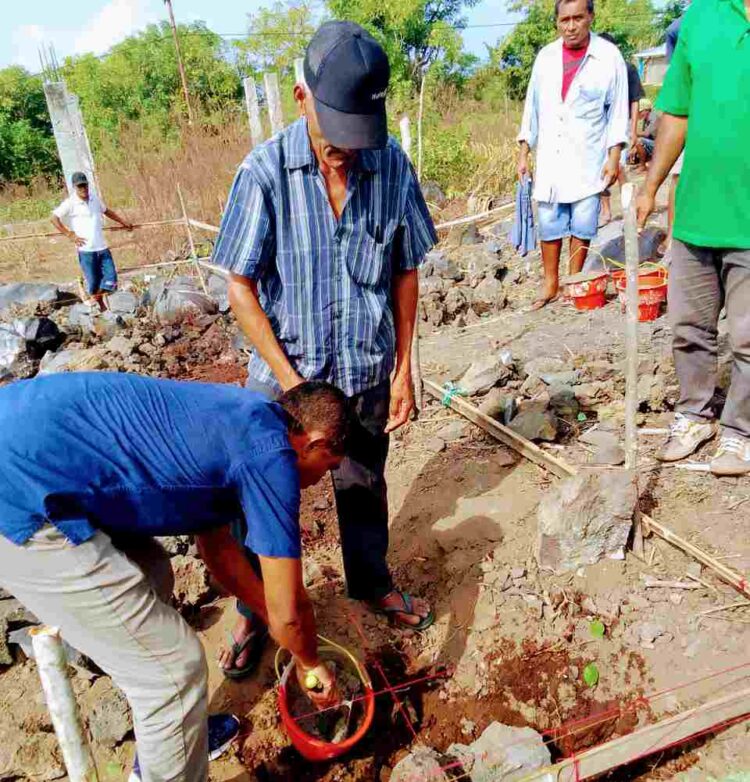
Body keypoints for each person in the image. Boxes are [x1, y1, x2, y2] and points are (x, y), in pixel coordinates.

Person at [212, 20, 437, 678]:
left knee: (364, 482)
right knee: (262, 503)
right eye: (335, 134)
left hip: (365, 367)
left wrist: (402, 367)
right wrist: (291, 386)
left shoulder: (390, 163)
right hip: (287, 384)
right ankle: (255, 613)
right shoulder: (262, 175)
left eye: (357, 137)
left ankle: (369, 581)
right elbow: (241, 287)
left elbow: (406, 268)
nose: (346, 152)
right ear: (301, 97)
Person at [0, 372, 351, 780]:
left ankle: (175, 733)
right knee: (173, 671)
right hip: (19, 494)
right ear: (316, 442)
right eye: (331, 464)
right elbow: (289, 612)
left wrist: (270, 616)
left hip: (30, 438)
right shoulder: (271, 458)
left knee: (151, 574)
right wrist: (311, 662)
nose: (325, 477)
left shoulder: (246, 417)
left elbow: (218, 550)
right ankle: (164, 727)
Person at [637, 0, 750, 476]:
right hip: (698, 213)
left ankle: (740, 432)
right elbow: (677, 114)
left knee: (747, 339)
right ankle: (694, 414)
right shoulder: (701, 16)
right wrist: (651, 186)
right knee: (688, 327)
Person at [517, 0, 629, 310]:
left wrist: (614, 155)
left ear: (590, 17)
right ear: (557, 22)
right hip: (552, 154)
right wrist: (524, 151)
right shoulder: (546, 58)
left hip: (588, 154)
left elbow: (618, 111)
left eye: (578, 18)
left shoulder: (609, 57)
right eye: (564, 19)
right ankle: (550, 284)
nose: (571, 26)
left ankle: (574, 281)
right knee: (550, 221)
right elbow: (532, 108)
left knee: (582, 220)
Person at [51, 171, 133, 311]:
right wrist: (70, 234)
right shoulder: (70, 203)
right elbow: (54, 218)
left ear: (88, 185)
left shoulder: (94, 199)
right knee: (94, 282)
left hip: (101, 247)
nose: (83, 189)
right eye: (80, 187)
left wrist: (122, 221)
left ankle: (94, 299)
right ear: (74, 188)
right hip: (86, 250)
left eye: (85, 185)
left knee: (111, 279)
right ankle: (101, 307)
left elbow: (106, 211)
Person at [598, 32, 645, 225]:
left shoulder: (627, 69)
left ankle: (628, 202)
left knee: (616, 165)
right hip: (599, 125)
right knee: (602, 167)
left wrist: (633, 130)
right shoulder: (595, 69)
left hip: (619, 124)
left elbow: (635, 101)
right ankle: (607, 210)